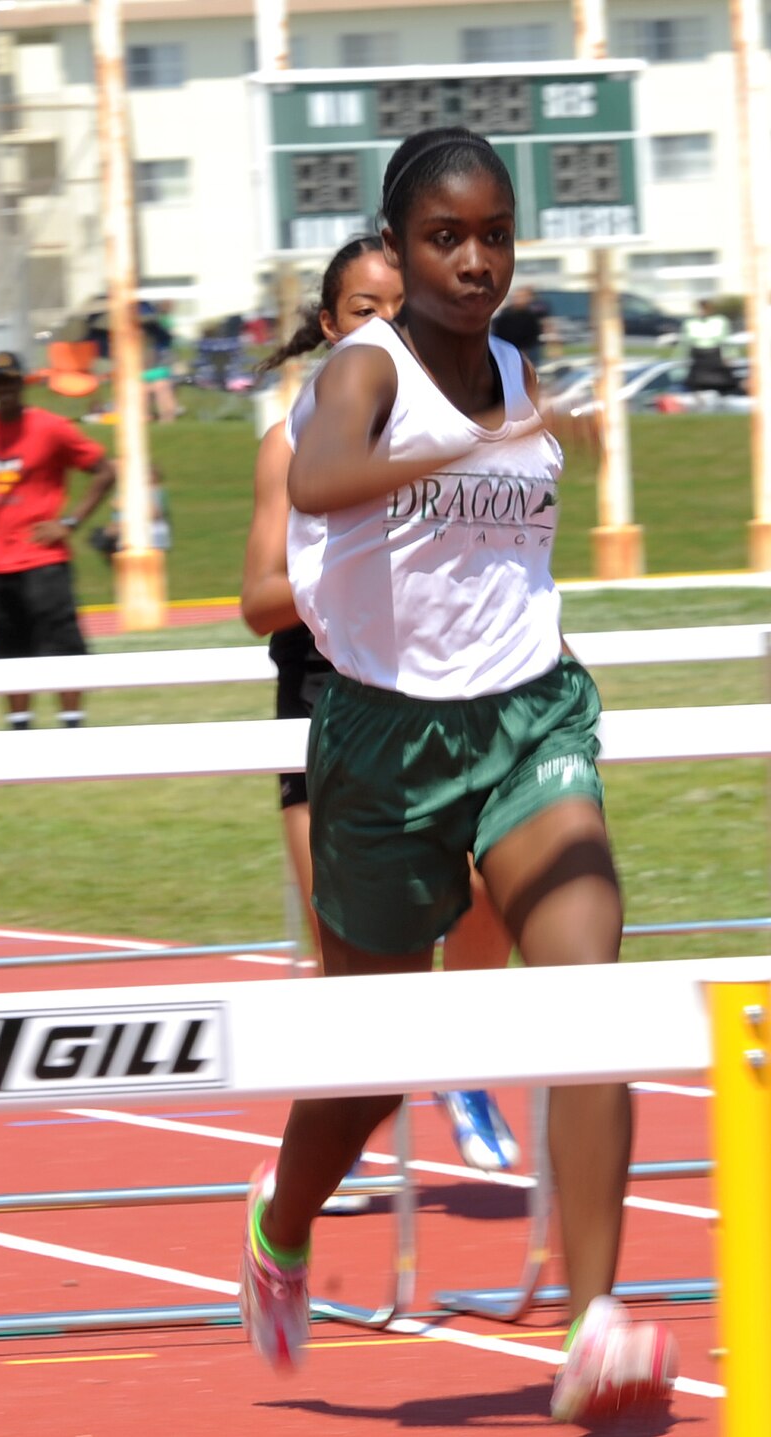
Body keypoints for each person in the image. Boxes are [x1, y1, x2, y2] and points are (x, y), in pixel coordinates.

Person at [238, 127, 677, 1424]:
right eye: (446, 237)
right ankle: (284, 1217)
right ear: (399, 242)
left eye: (494, 234)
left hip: (528, 720)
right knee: (374, 1063)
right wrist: (468, 450)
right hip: (382, 744)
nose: (475, 260)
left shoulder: (514, 365)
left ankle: (594, 1328)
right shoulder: (359, 372)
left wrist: (523, 434)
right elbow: (320, 484)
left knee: (590, 989)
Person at [239, 233, 522, 1206]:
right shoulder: (290, 442)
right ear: (328, 326)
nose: (382, 326)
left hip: (436, 699)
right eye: (362, 310)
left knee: (489, 892)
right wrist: (354, 569)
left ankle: (464, 1065)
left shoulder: (447, 426)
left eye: (395, 309)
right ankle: (338, 1127)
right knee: (351, 962)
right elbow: (256, 599)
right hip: (325, 709)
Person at [0, 350, 115, 730]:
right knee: (8, 651)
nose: (6, 390)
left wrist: (69, 522)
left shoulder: (50, 427)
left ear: (23, 384)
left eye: (12, 381)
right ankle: (19, 727)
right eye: (0, 383)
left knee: (62, 645)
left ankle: (72, 724)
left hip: (43, 560)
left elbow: (104, 470)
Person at [680, 298, 740, 396]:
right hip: (698, 357)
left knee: (722, 383)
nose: (702, 311)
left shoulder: (720, 321)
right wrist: (684, 359)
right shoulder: (690, 323)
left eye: (704, 308)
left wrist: (730, 356)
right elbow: (685, 343)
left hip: (715, 356)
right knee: (696, 385)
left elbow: (726, 340)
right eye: (699, 308)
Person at [491, 283, 546, 369]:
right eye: (519, 297)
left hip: (528, 349)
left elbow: (534, 332)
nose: (521, 299)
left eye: (524, 297)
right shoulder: (505, 314)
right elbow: (499, 331)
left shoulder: (531, 315)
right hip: (509, 349)